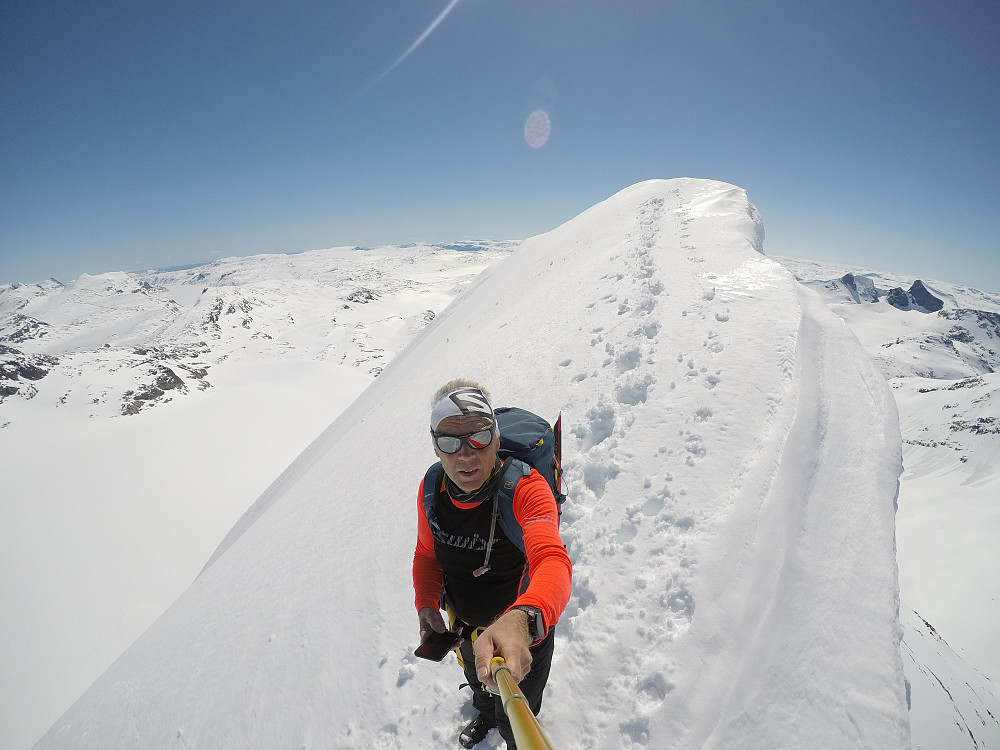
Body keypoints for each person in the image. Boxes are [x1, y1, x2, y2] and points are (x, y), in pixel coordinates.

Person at [412, 380, 573, 748]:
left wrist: (524, 620)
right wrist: (426, 603)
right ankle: (485, 715)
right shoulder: (432, 487)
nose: (466, 456)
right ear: (436, 447)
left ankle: (511, 735)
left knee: (516, 713)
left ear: (496, 439)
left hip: (520, 637)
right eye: (450, 442)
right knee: (479, 683)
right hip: (463, 626)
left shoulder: (525, 489)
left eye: (479, 438)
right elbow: (426, 554)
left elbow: (552, 559)